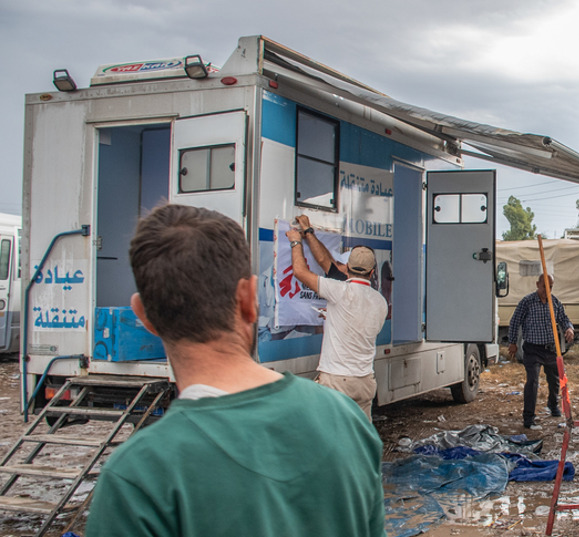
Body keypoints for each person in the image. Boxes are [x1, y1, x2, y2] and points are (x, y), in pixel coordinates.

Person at [86, 204, 384, 537]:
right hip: (364, 381)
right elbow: (332, 266)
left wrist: (297, 240)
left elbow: (317, 270)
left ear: (145, 317)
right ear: (249, 299)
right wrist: (309, 233)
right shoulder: (348, 427)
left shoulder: (136, 477)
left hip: (338, 375)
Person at [286, 226, 387, 420]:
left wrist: (295, 240)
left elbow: (299, 272)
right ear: (372, 272)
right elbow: (362, 325)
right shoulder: (380, 301)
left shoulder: (339, 291)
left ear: (346, 267)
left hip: (337, 380)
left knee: (331, 435)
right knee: (359, 438)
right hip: (365, 380)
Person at [507, 275, 574, 430]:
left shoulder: (554, 302)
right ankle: (529, 417)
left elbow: (564, 318)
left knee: (554, 380)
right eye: (544, 286)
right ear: (538, 285)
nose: (547, 290)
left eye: (550, 287)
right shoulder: (528, 302)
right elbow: (515, 321)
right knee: (532, 382)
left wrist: (568, 328)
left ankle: (553, 404)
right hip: (532, 349)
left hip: (550, 349)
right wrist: (512, 342)